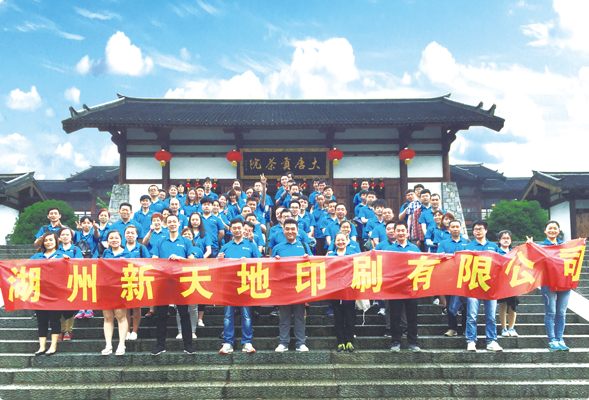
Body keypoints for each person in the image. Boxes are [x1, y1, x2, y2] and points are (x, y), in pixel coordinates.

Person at [150, 214, 198, 356]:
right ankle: (160, 345)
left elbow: (191, 261)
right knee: (161, 315)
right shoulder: (160, 241)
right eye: (169, 222)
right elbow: (154, 260)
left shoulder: (186, 241)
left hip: (181, 282)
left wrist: (179, 259)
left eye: (174, 222)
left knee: (184, 313)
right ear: (166, 224)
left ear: (178, 224)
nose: (172, 224)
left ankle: (188, 345)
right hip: (163, 282)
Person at [529, 220, 577, 351]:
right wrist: (530, 247)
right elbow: (533, 262)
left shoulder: (565, 246)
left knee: (561, 312)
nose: (552, 230)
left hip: (564, 282)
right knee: (551, 311)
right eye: (549, 228)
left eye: (555, 228)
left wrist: (580, 244)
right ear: (545, 230)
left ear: (558, 231)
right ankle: (552, 339)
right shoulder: (540, 246)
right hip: (547, 283)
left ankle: (560, 338)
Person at [218, 218, 261, 354]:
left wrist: (248, 261)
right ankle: (227, 342)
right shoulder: (225, 247)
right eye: (234, 228)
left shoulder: (251, 244)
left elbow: (260, 262)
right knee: (228, 315)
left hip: (245, 285)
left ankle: (247, 342)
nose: (237, 230)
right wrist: (220, 260)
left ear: (243, 229)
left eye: (239, 227)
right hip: (229, 286)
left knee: (246, 315)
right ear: (230, 230)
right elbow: (219, 268)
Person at [378, 221, 422, 352]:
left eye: (403, 230)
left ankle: (413, 342)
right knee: (395, 316)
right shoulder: (389, 250)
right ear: (395, 232)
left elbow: (422, 265)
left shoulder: (414, 248)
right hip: (395, 288)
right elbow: (384, 268)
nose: (401, 233)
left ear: (407, 232)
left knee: (412, 317)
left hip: (411, 288)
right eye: (398, 230)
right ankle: (396, 341)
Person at [272, 219, 312, 352]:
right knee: (284, 317)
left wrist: (308, 259)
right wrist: (275, 261)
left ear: (297, 231)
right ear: (283, 231)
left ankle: (301, 343)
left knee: (300, 317)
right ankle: (283, 343)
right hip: (283, 288)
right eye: (287, 229)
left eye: (293, 229)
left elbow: (314, 264)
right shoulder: (277, 248)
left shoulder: (304, 246)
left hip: (300, 288)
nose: (290, 231)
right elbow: (270, 268)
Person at [464, 220, 502, 352]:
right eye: (475, 229)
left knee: (491, 316)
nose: (478, 231)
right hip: (473, 285)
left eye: (480, 229)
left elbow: (502, 261)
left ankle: (491, 341)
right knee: (471, 315)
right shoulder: (468, 247)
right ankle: (471, 340)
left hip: (490, 286)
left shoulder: (493, 247)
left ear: (486, 230)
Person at [30, 232, 68, 355]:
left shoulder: (62, 255)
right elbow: (24, 267)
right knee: (41, 320)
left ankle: (53, 346)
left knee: (55, 320)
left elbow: (70, 270)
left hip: (56, 294)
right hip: (40, 294)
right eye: (46, 240)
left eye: (51, 240)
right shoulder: (37, 256)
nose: (48, 242)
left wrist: (68, 261)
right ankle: (42, 347)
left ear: (56, 241)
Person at [100, 230, 131, 356]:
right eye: (111, 238)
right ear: (108, 240)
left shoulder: (127, 254)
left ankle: (121, 344)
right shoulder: (106, 253)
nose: (114, 240)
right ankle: (108, 345)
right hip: (106, 289)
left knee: (121, 316)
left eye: (116, 238)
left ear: (121, 239)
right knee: (107, 317)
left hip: (121, 289)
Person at [437, 219, 469, 337]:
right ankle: (452, 328)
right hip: (449, 278)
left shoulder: (467, 242)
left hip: (464, 278)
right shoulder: (443, 244)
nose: (455, 229)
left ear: (461, 228)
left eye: (457, 227)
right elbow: (440, 259)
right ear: (449, 229)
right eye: (453, 227)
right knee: (450, 303)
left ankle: (465, 328)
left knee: (466, 305)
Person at [328, 231, 358, 352]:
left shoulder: (353, 255)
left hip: (349, 292)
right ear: (334, 242)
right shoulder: (330, 256)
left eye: (343, 240)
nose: (340, 242)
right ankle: (340, 342)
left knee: (350, 317)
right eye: (338, 240)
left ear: (347, 241)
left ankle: (349, 341)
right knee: (338, 318)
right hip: (335, 292)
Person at [123, 225, 151, 342]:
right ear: (124, 234)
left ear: (136, 235)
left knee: (136, 307)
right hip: (123, 281)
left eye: (132, 233)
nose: (130, 235)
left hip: (137, 280)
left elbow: (147, 263)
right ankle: (126, 330)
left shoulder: (141, 248)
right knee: (125, 308)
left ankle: (134, 331)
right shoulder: (121, 247)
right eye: (128, 233)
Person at [57, 227, 82, 340]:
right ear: (59, 237)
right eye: (63, 234)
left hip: (72, 281)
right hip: (58, 282)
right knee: (59, 307)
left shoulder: (76, 250)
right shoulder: (56, 249)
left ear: (71, 236)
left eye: (67, 234)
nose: (65, 236)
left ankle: (68, 330)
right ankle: (61, 329)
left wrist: (68, 260)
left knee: (70, 307)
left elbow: (80, 264)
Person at [496, 230, 519, 338]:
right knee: (502, 305)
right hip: (500, 283)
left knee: (512, 305)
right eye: (503, 238)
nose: (506, 240)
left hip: (512, 282)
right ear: (499, 240)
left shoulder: (515, 252)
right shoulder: (496, 252)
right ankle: (504, 328)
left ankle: (511, 328)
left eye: (508, 238)